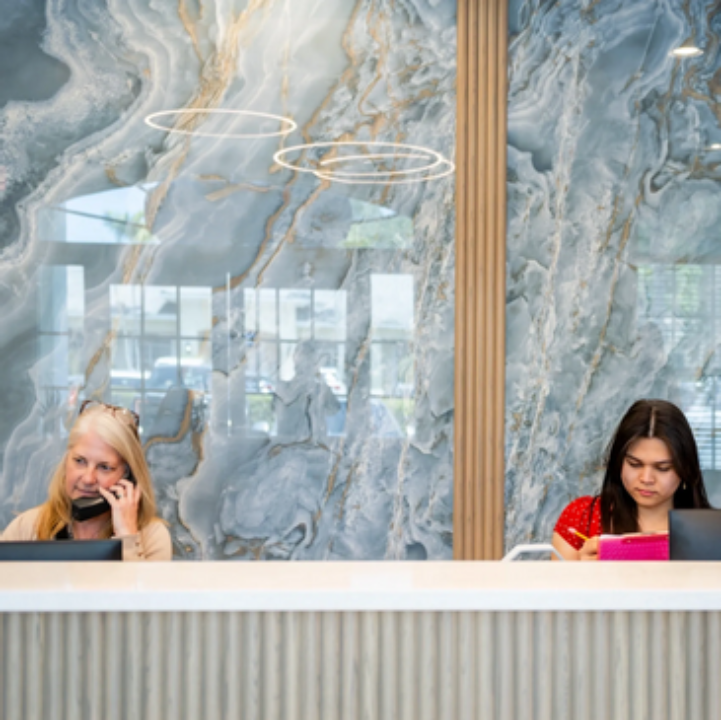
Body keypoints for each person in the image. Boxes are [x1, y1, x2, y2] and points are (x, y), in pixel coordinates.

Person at [1, 399, 172, 560]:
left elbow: (138, 591)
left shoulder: (152, 537)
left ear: (128, 476)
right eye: (80, 461)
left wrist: (127, 537)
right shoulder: (27, 528)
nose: (88, 479)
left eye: (105, 467)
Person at [552, 398, 712, 561]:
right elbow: (555, 585)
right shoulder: (582, 518)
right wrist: (581, 573)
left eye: (662, 468)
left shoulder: (709, 530)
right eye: (635, 464)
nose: (646, 478)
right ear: (619, 461)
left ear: (685, 468)